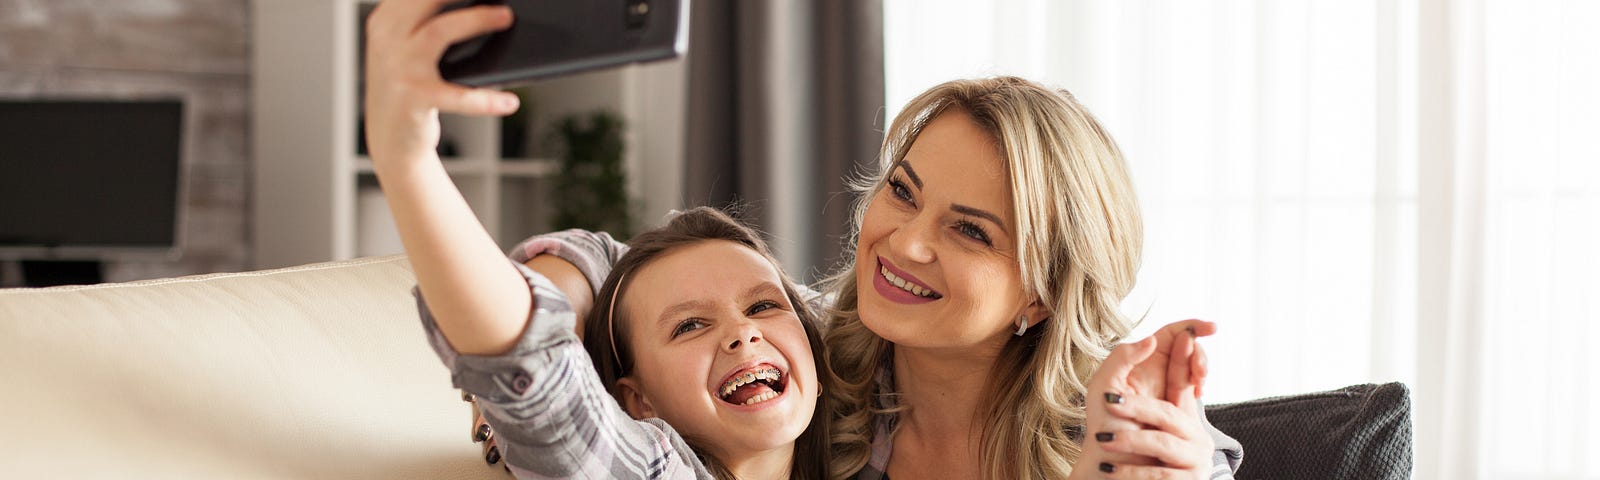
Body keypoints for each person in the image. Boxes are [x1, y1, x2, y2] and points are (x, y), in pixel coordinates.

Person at [481, 77, 1244, 479]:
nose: (903, 243)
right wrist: (548, 326)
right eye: (903, 191)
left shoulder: (1107, 422)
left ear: (1042, 295)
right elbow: (632, 260)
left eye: (969, 230)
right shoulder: (815, 351)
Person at [363, 2, 831, 479]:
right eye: (689, 326)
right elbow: (539, 373)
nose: (743, 333)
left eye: (763, 307)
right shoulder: (654, 469)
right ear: (638, 401)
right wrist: (408, 157)